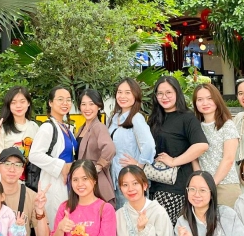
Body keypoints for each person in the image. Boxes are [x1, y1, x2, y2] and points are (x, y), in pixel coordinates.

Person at [28, 85, 78, 236]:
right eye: (60, 99)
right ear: (50, 103)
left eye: (68, 99)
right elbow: (34, 155)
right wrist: (62, 167)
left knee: (64, 230)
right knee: (52, 231)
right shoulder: (47, 128)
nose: (65, 103)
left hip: (66, 186)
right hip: (53, 185)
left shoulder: (66, 126)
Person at [147, 75, 209, 225]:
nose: (164, 97)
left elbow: (201, 145)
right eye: (160, 93)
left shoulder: (187, 118)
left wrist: (175, 161)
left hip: (176, 187)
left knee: (168, 232)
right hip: (155, 183)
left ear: (177, 93)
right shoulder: (154, 119)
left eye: (169, 92)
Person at [107, 78, 156, 209]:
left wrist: (139, 165)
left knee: (134, 219)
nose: (122, 96)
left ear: (135, 95)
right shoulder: (113, 118)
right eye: (119, 92)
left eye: (128, 92)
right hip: (116, 179)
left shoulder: (136, 118)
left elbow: (149, 145)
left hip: (132, 181)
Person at [192, 83, 242, 207]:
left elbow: (228, 159)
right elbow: (194, 157)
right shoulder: (195, 127)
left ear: (217, 100)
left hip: (225, 185)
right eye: (200, 99)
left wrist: (211, 184)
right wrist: (200, 182)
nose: (205, 103)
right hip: (202, 188)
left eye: (210, 98)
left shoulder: (227, 125)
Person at [75, 88, 117, 204]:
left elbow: (110, 148)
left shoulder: (98, 127)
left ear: (98, 106)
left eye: (91, 104)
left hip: (96, 182)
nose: (87, 108)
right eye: (83, 104)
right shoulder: (81, 128)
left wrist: (97, 167)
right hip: (83, 182)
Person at [0, 86, 39, 174]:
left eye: (22, 102)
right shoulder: (2, 127)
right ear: (9, 105)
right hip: (5, 176)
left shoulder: (34, 127)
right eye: (13, 102)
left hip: (28, 178)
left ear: (28, 103)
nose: (18, 106)